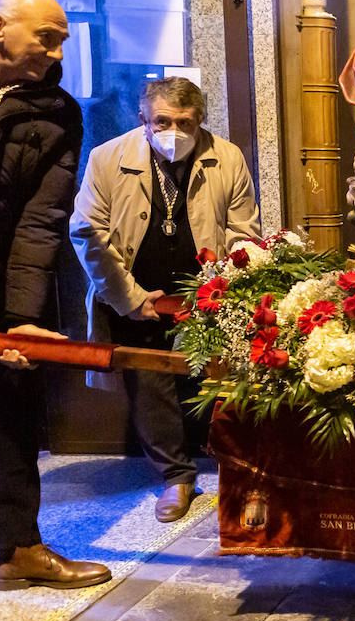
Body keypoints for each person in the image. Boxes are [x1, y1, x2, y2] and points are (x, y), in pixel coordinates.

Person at [0, 0, 111, 590]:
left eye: (62, 41)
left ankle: (20, 550)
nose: (58, 54)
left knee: (14, 408)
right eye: (47, 38)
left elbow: (39, 220)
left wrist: (23, 314)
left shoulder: (57, 113)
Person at [71, 77, 260, 523]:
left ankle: (224, 463)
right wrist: (129, 297)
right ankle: (176, 476)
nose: (172, 130)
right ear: (143, 119)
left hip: (205, 294)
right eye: (161, 121)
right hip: (134, 294)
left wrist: (221, 290)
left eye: (184, 122)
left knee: (207, 381)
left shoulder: (226, 157)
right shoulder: (107, 158)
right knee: (150, 384)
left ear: (200, 122)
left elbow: (243, 232)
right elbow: (86, 232)